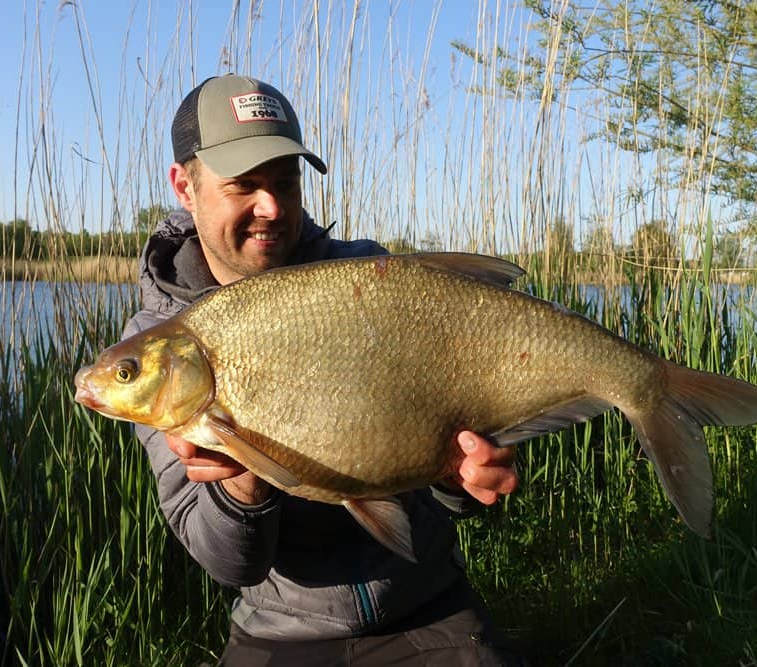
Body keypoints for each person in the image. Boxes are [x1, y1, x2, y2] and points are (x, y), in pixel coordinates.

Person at [123, 74, 524, 665]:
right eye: (244, 186)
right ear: (185, 185)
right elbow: (231, 563)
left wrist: (459, 478)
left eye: (286, 182)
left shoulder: (370, 281)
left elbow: (454, 486)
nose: (272, 207)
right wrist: (242, 482)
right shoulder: (158, 350)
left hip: (427, 605)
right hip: (282, 630)